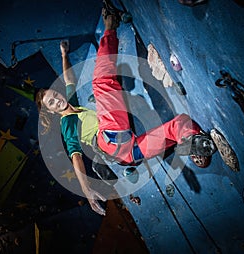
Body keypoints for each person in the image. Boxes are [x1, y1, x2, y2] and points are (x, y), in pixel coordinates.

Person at [36, 9, 217, 216]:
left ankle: (193, 141)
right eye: (52, 102)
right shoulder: (66, 124)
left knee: (177, 126)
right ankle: (110, 27)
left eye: (55, 95)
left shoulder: (71, 102)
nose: (58, 99)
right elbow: (76, 157)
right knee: (102, 83)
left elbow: (69, 79)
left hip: (130, 153)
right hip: (108, 142)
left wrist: (63, 55)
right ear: (50, 112)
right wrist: (86, 190)